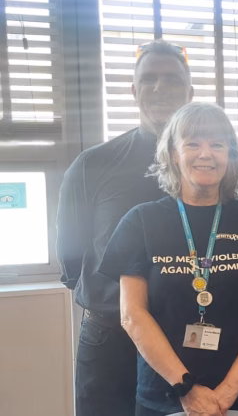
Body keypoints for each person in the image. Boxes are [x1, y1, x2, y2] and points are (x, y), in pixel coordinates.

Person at [99, 103, 238, 415]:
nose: (206, 154)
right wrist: (185, 386)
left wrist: (231, 387)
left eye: (217, 144)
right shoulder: (141, 222)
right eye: (193, 144)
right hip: (165, 397)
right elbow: (132, 314)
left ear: (230, 154)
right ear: (174, 153)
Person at [56, 39, 193, 415]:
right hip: (111, 340)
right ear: (133, 90)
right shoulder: (92, 165)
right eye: (149, 79)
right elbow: (71, 263)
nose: (159, 88)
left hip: (186, 337)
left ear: (190, 91)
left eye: (172, 80)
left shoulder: (211, 168)